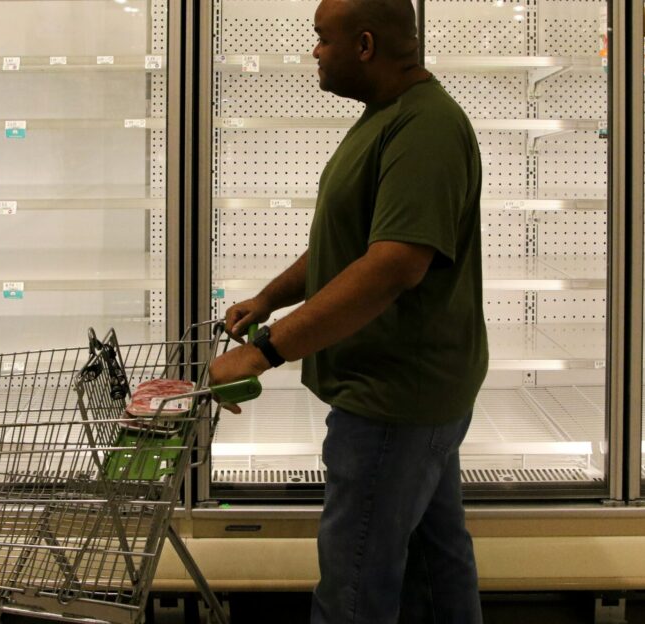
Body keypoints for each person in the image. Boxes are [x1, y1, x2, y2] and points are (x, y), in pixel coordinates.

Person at [206, 0, 487, 621]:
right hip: (412, 392)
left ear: (364, 45)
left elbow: (391, 265)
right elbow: (351, 241)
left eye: (321, 39)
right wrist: (270, 297)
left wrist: (264, 350)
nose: (314, 51)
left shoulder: (426, 129)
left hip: (393, 398)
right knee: (438, 567)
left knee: (354, 588)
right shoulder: (386, 117)